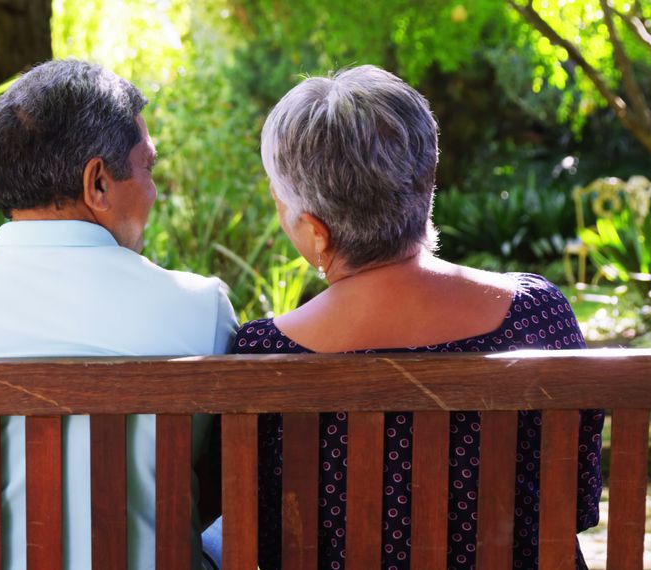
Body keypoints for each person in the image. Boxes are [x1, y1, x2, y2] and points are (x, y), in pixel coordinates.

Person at [231, 65, 603, 570]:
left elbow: (263, 538)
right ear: (428, 180)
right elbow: (575, 502)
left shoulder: (263, 356)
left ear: (317, 232)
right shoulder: (538, 312)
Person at [0, 59, 237, 569]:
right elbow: (225, 483)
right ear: (99, 184)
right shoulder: (201, 308)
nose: (154, 191)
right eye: (148, 168)